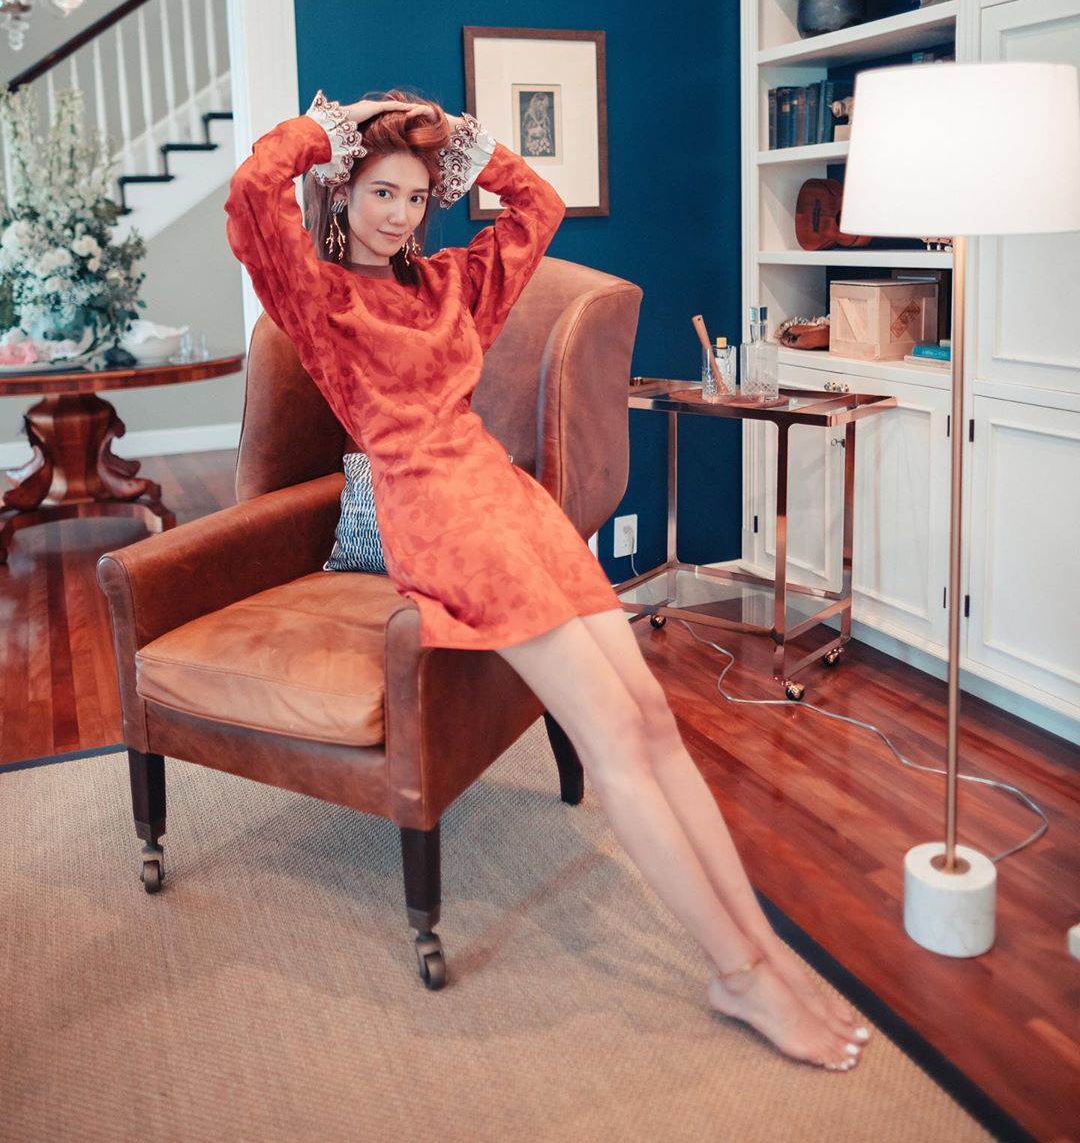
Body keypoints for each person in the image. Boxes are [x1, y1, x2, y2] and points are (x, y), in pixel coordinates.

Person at [224, 90, 870, 1071]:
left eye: (415, 195)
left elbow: (539, 209)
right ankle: (738, 971)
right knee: (610, 734)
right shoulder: (315, 296)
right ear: (342, 193)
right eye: (380, 191)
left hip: (508, 499)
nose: (399, 213)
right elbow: (251, 192)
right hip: (443, 522)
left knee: (650, 717)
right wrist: (334, 128)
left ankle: (762, 946)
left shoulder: (451, 284)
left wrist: (468, 145)